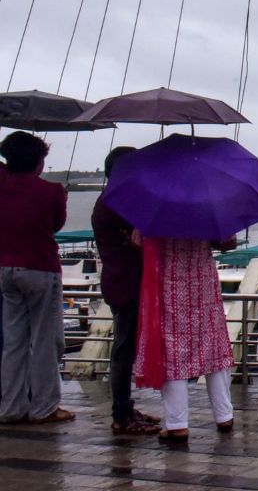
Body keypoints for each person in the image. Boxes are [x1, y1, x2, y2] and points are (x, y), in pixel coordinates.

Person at [134, 233, 239, 445]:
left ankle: (177, 424)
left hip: (169, 284)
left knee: (172, 350)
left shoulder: (159, 206)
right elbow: (229, 242)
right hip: (203, 282)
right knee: (213, 345)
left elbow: (137, 241)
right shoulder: (207, 203)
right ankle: (224, 415)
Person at [0, 131, 74, 424]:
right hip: (40, 268)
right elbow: (56, 224)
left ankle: (10, 407)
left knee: (14, 342)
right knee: (45, 341)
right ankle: (44, 407)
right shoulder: (52, 192)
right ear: (40, 162)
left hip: (5, 269)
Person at [92, 146, 161, 435]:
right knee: (123, 350)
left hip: (124, 281)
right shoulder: (117, 203)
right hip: (126, 284)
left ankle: (125, 406)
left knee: (126, 348)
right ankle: (121, 414)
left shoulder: (112, 200)